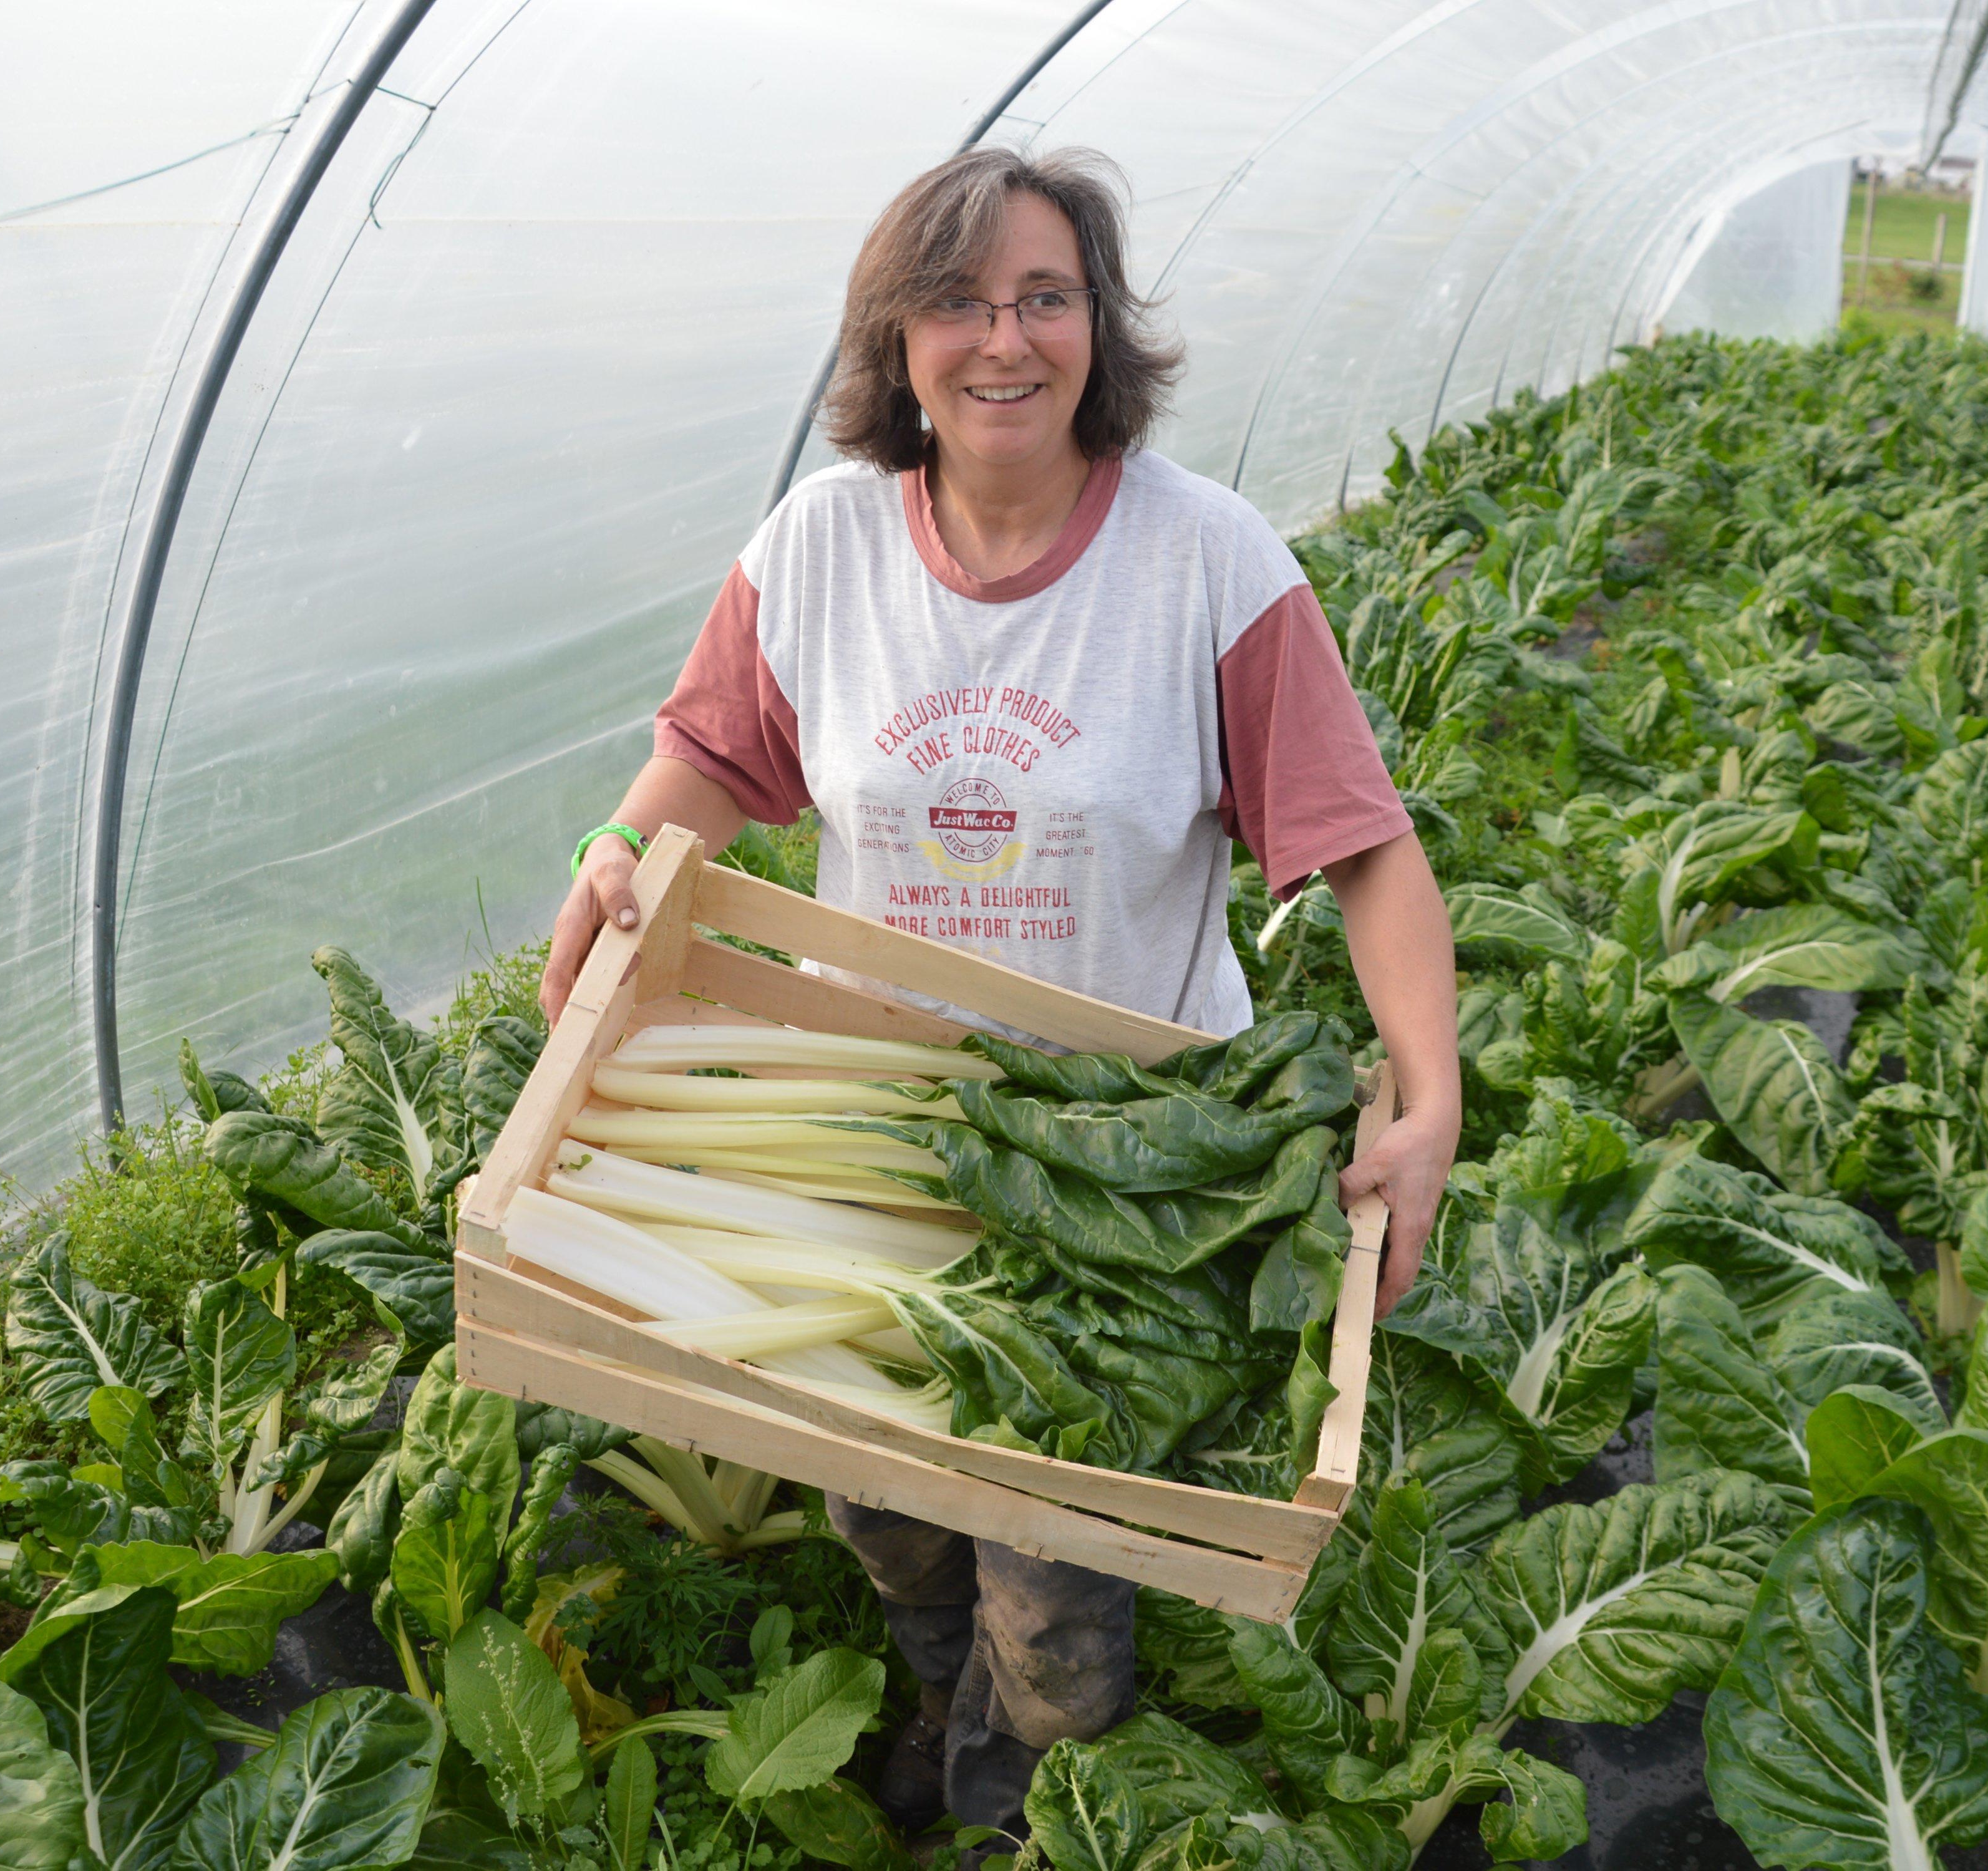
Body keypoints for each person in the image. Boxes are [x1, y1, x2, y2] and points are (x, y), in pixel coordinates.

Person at [540, 146, 1459, 1844]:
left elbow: (1367, 848)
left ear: (1097, 330)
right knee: (886, 1504)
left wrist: (1429, 1098)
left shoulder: (1207, 564)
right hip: (871, 1149)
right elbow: (703, 759)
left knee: (1059, 1582)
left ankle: (1014, 1787)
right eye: (956, 302)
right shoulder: (815, 548)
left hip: (1123, 1173)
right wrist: (611, 852)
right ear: (897, 345)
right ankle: (933, 1665)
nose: (1003, 340)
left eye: (1044, 297)